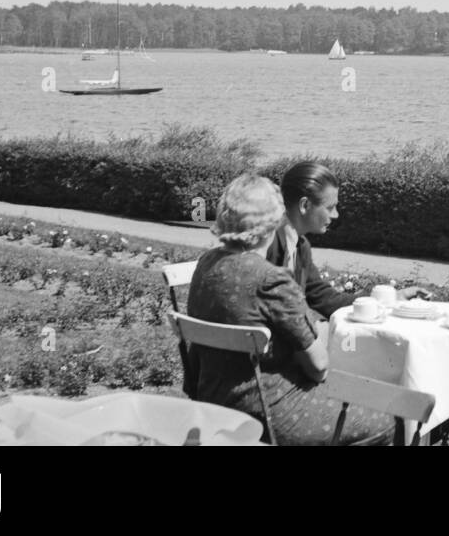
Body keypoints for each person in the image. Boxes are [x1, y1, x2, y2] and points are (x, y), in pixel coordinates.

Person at [183, 173, 393, 445]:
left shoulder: (206, 264)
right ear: (274, 220)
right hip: (268, 412)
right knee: (390, 419)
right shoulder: (270, 279)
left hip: (210, 400)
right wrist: (321, 328)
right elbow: (318, 367)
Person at [265, 160, 430, 309]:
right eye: (330, 207)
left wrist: (393, 298)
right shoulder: (267, 243)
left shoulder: (300, 246)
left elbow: (325, 299)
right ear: (305, 205)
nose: (336, 215)